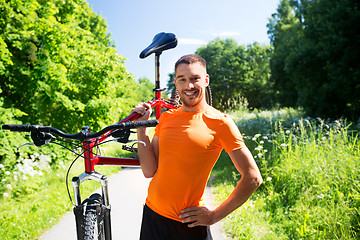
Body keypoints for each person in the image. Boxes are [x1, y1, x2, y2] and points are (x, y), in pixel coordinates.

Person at [131, 54, 262, 240]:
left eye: (195, 79)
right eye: (182, 80)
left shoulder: (220, 122)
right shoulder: (167, 118)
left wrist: (214, 216)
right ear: (176, 83)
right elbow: (149, 170)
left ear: (206, 80)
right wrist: (141, 129)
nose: (189, 86)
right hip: (152, 217)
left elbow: (253, 177)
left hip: (188, 227)